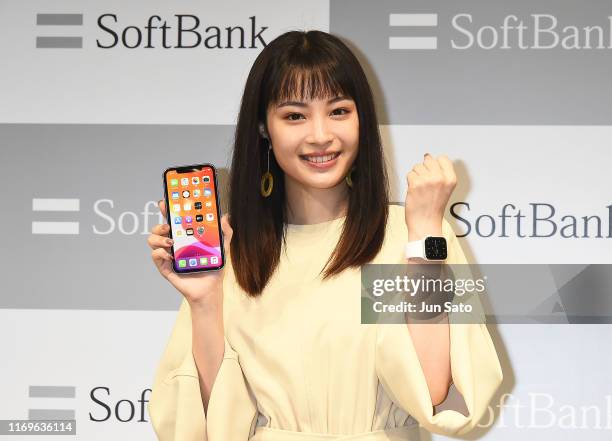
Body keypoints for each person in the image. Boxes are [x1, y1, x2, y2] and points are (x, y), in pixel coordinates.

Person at [146, 30, 503, 441]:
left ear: (361, 119)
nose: (320, 135)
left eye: (338, 111)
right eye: (295, 115)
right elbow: (207, 430)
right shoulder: (235, 252)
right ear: (264, 127)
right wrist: (206, 301)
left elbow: (434, 391)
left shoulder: (411, 238)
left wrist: (423, 231)